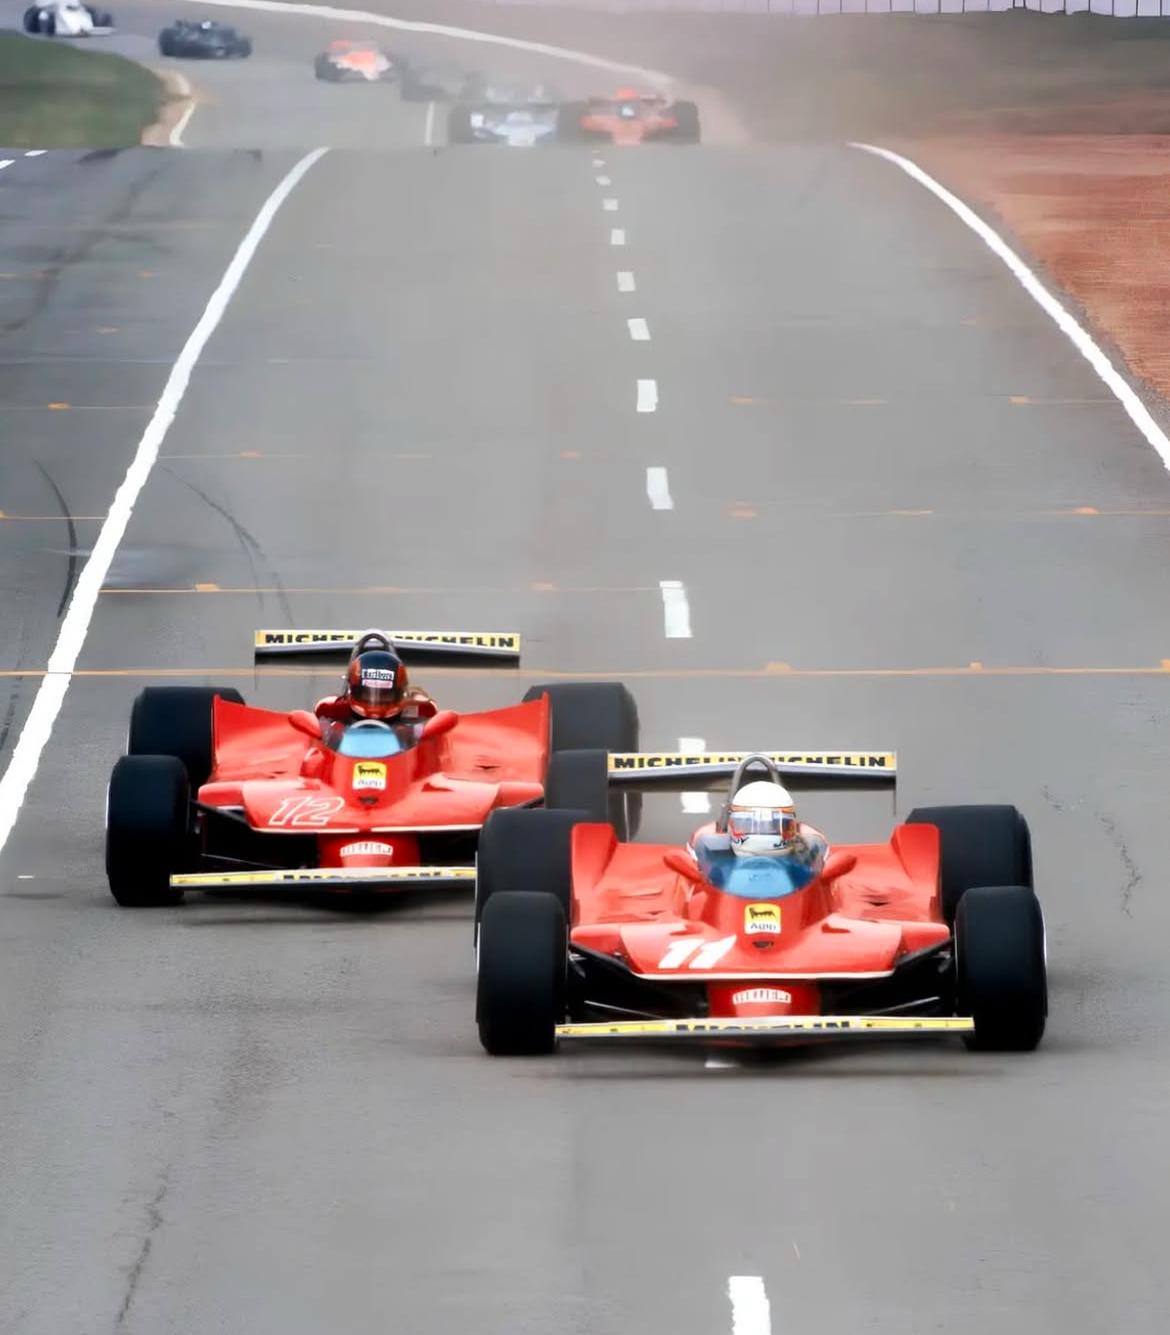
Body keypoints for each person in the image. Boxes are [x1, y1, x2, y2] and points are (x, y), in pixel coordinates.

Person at [315, 631, 436, 725]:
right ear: (352, 689)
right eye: (367, 693)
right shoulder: (330, 710)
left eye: (384, 695)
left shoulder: (421, 709)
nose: (375, 701)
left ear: (401, 693)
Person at [726, 779, 828, 869]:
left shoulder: (809, 860)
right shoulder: (718, 863)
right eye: (748, 824)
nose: (762, 832)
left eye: (773, 825)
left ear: (791, 826)